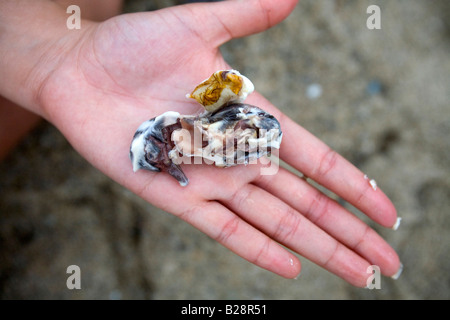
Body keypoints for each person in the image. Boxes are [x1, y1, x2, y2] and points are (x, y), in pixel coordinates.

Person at [0, 0, 401, 287]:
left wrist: (62, 54)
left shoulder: (219, 126)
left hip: (209, 131)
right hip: (194, 134)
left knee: (95, 8)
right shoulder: (177, 132)